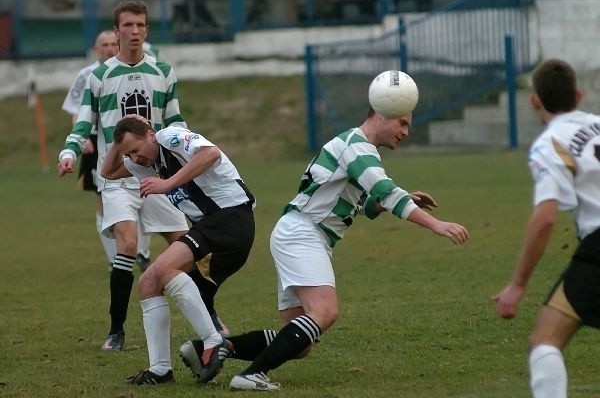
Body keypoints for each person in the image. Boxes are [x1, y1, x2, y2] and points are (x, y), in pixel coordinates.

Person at [204, 69, 470, 391]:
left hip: (297, 233)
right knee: (326, 311)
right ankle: (249, 376)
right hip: (303, 234)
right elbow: (386, 191)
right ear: (384, 112)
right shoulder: (356, 147)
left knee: (299, 343)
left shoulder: (355, 147)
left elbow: (369, 204)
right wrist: (436, 225)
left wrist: (398, 200)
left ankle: (219, 348)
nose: (406, 131)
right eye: (403, 123)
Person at [57, 0, 190, 352]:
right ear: (116, 32)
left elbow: (176, 122)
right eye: (127, 25)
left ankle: (212, 317)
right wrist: (69, 152)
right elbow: (84, 123)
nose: (134, 32)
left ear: (147, 30)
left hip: (157, 177)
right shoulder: (99, 77)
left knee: (186, 246)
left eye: (140, 25)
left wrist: (186, 150)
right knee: (128, 245)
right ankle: (116, 330)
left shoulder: (163, 71)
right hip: (115, 177)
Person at [101, 115, 256, 385]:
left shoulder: (168, 137)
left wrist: (166, 184)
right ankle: (160, 369)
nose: (134, 159)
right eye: (129, 154)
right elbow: (108, 172)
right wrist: (119, 140)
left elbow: (210, 153)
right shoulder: (150, 163)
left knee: (163, 268)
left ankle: (213, 341)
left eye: (136, 150)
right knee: (149, 281)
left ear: (150, 135)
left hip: (230, 219)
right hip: (214, 227)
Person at [493, 59, 600, 398]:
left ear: (534, 101)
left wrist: (517, 285)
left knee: (544, 343)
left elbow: (545, 218)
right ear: (579, 95)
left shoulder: (550, 143)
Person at [62, 30, 153, 272]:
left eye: (113, 44)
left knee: (145, 193)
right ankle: (115, 259)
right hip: (99, 143)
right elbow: (76, 109)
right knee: (103, 199)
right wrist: (83, 139)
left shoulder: (138, 70)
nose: (110, 48)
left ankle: (142, 253)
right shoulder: (87, 75)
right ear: (96, 49)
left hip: (136, 142)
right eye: (105, 45)